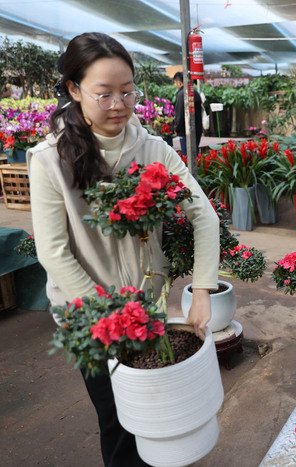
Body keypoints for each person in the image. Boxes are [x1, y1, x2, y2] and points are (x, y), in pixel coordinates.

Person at [27, 32, 219, 466]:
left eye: (128, 91)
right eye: (104, 93)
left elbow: (203, 216)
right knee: (117, 421)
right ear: (74, 90)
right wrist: (111, 313)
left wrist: (202, 288)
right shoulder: (48, 160)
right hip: (90, 316)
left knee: (157, 412)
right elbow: (54, 252)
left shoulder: (153, 150)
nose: (120, 104)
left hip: (147, 308)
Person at [173, 71, 203, 156]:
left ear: (179, 82)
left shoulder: (182, 94)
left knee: (187, 156)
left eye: (175, 82)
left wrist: (176, 128)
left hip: (185, 131)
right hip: (197, 129)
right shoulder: (195, 92)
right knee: (194, 154)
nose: (175, 85)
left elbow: (179, 114)